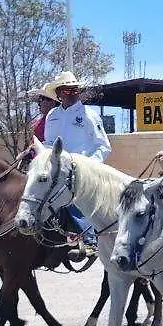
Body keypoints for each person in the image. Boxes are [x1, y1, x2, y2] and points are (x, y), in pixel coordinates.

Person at [42, 71, 111, 256]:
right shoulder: (52, 116)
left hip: (83, 170)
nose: (71, 93)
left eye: (75, 89)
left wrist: (88, 165)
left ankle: (90, 240)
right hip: (57, 168)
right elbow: (48, 144)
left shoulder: (89, 115)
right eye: (66, 90)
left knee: (69, 193)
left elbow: (103, 146)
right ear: (58, 93)